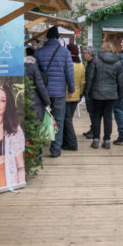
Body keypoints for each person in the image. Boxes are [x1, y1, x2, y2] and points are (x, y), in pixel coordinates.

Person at [34, 26, 75, 157]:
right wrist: (71, 89)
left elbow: (35, 74)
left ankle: (38, 149)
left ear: (47, 37)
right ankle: (56, 149)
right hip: (59, 92)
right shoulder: (64, 52)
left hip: (42, 93)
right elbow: (69, 72)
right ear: (58, 37)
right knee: (59, 120)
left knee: (41, 120)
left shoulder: (39, 52)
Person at [84, 41, 123, 149]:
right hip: (111, 94)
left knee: (97, 116)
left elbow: (90, 78)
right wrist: (120, 94)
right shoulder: (117, 62)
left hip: (97, 93)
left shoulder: (96, 60)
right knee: (108, 117)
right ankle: (107, 141)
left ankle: (96, 140)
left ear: (102, 48)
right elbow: (120, 81)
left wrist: (87, 92)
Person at [62, 43, 86, 151]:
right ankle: (66, 141)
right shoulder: (81, 65)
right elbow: (82, 82)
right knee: (68, 119)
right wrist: (81, 94)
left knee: (67, 120)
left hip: (67, 95)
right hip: (77, 96)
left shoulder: (66, 64)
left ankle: (72, 143)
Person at [24, 45, 49, 122]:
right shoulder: (32, 66)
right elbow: (40, 86)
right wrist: (47, 102)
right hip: (33, 102)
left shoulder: (13, 66)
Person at [81, 46, 96, 138]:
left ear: (89, 54)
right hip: (91, 91)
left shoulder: (93, 63)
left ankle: (94, 131)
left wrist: (86, 92)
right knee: (92, 113)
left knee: (93, 113)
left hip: (92, 92)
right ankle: (93, 129)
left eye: (84, 53)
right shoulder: (90, 63)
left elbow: (90, 79)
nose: (82, 55)